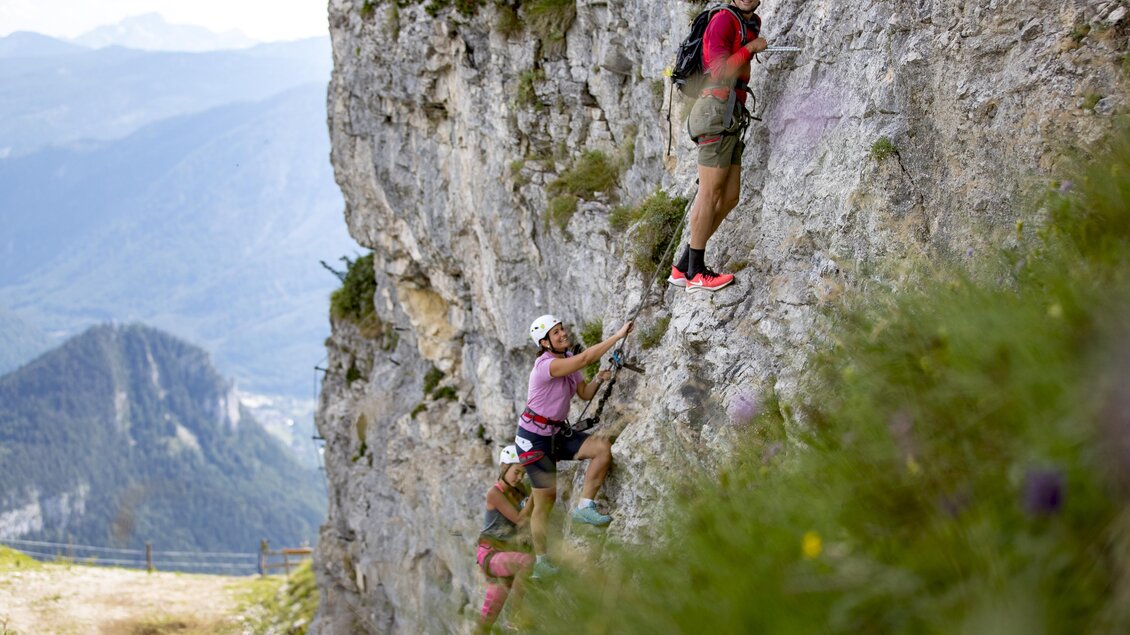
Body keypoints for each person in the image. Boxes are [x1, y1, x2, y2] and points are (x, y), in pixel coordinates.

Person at [517, 314, 633, 578]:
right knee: (545, 500)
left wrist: (601, 379)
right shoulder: (546, 366)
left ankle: (585, 508)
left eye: (561, 329)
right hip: (534, 440)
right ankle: (542, 561)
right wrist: (617, 336)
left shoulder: (565, 359)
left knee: (601, 448)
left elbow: (583, 393)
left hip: (556, 433)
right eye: (555, 333)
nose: (562, 334)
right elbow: (585, 359)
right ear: (545, 343)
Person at [670, 0, 768, 294]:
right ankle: (696, 274)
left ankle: (684, 265)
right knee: (710, 192)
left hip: (731, 114)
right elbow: (719, 69)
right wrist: (750, 49)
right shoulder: (724, 19)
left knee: (729, 196)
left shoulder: (750, 21)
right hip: (714, 111)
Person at [475, 445, 535, 633]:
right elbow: (519, 519)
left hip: (506, 554)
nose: (519, 477)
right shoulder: (495, 493)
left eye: (522, 474)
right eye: (516, 472)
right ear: (504, 467)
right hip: (491, 555)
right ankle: (514, 616)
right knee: (526, 563)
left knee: (488, 617)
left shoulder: (519, 490)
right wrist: (536, 493)